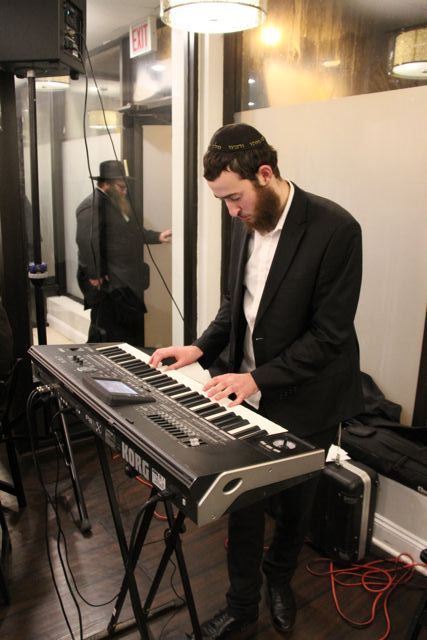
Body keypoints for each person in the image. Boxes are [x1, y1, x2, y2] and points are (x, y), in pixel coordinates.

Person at [150, 123, 364, 638]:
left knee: (296, 506)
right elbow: (237, 306)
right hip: (248, 390)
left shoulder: (337, 229)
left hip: (310, 396)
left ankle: (279, 579)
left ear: (264, 174)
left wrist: (256, 379)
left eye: (234, 198)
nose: (231, 211)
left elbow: (329, 335)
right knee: (244, 507)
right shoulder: (243, 220)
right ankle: (242, 606)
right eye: (222, 201)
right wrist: (199, 348)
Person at [76, 160, 171, 345]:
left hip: (122, 281)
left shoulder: (114, 203)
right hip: (108, 284)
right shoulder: (92, 205)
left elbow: (132, 233)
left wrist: (158, 236)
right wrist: (95, 274)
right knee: (105, 334)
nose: (125, 191)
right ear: (106, 184)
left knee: (123, 332)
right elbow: (87, 241)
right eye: (121, 187)